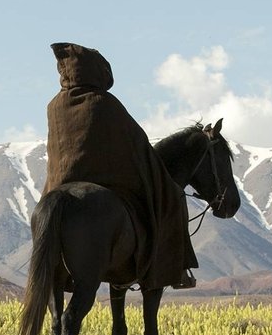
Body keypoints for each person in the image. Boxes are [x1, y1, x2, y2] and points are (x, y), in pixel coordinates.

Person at [43, 42, 198, 289]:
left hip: (58, 182)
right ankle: (174, 269)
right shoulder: (104, 102)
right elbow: (136, 144)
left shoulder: (54, 106)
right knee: (171, 199)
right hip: (110, 180)